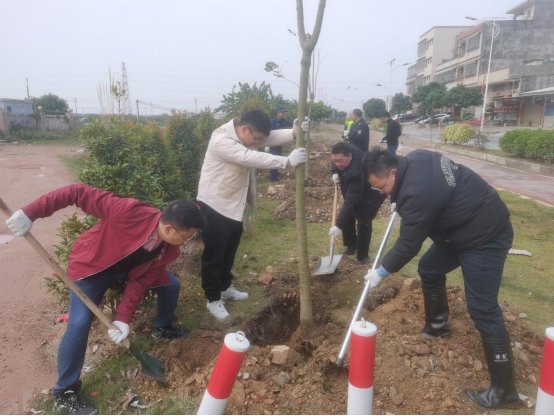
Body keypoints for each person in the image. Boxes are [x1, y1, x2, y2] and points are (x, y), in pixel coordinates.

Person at [5, 184, 205, 416]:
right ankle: (64, 392)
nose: (188, 241)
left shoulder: (169, 249)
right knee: (79, 323)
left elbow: (140, 281)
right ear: (170, 228)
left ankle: (163, 327)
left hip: (132, 270)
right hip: (92, 269)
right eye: (187, 237)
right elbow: (76, 192)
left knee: (172, 286)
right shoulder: (127, 211)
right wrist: (30, 212)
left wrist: (123, 319)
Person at [362, 149, 519, 409]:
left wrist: (381, 272)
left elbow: (408, 245)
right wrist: (397, 197)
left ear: (393, 171)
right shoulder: (416, 157)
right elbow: (430, 193)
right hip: (458, 228)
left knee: (483, 307)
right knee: (430, 268)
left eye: (383, 188)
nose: (383, 193)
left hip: (485, 234)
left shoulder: (416, 194)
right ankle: (437, 326)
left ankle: (505, 392)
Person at [197, 110, 309, 321]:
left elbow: (269, 137)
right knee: (214, 256)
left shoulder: (245, 136)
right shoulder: (221, 140)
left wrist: (293, 133)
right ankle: (213, 299)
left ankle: (225, 287)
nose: (258, 142)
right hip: (215, 205)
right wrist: (285, 161)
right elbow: (248, 157)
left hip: (233, 206)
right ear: (245, 129)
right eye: (257, 138)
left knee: (229, 251)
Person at [329, 143, 386, 265]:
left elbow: (351, 201)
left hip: (372, 192)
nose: (338, 163)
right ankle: (352, 243)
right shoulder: (345, 149)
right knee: (348, 215)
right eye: (335, 161)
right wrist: (335, 172)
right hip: (356, 187)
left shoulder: (357, 171)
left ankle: (362, 255)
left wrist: (337, 225)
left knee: (363, 220)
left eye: (341, 161)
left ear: (350, 156)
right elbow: (336, 160)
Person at [268, 106, 294, 182]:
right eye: (282, 112)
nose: (283, 114)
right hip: (273, 144)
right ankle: (273, 178)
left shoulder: (283, 121)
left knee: (278, 159)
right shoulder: (273, 121)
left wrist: (297, 121)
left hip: (279, 144)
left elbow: (289, 123)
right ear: (278, 113)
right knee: (274, 160)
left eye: (283, 112)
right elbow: (269, 132)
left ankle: (275, 175)